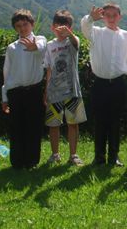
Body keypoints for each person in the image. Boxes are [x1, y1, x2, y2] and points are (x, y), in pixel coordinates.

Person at [81, 2, 127, 167]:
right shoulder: (96, 33)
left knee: (115, 121)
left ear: (120, 17)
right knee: (100, 121)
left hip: (119, 84)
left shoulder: (125, 35)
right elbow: (85, 26)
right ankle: (99, 156)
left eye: (114, 15)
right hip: (100, 84)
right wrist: (90, 18)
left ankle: (114, 156)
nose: (111, 18)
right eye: (107, 15)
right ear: (103, 17)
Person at [1, 9, 47, 169]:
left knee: (34, 127)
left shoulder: (40, 40)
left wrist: (34, 47)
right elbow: (7, 73)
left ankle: (32, 161)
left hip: (34, 91)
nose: (22, 28)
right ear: (15, 28)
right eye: (18, 26)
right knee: (17, 127)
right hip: (15, 92)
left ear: (32, 24)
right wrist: (4, 97)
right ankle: (17, 161)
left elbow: (42, 48)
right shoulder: (12, 48)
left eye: (25, 24)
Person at [44, 10, 86, 166]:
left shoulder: (72, 42)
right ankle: (55, 154)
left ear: (70, 28)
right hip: (54, 91)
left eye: (65, 28)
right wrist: (46, 90)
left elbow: (75, 41)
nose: (61, 31)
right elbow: (49, 69)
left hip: (72, 90)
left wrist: (70, 35)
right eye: (58, 27)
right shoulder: (49, 46)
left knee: (73, 124)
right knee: (53, 124)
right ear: (52, 27)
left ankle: (73, 155)